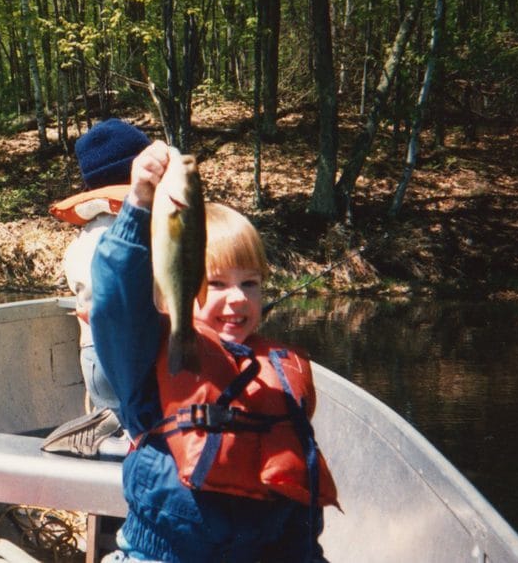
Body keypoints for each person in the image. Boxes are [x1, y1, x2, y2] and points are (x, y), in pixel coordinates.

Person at [90, 140, 340, 562]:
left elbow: (298, 499)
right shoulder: (148, 358)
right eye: (217, 284)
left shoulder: (279, 372)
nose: (237, 298)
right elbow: (116, 302)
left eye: (250, 283)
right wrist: (139, 205)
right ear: (177, 284)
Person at [41, 119, 150, 458]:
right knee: (143, 432)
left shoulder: (87, 235)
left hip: (94, 354)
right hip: (124, 356)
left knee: (124, 425)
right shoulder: (131, 232)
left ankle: (110, 428)